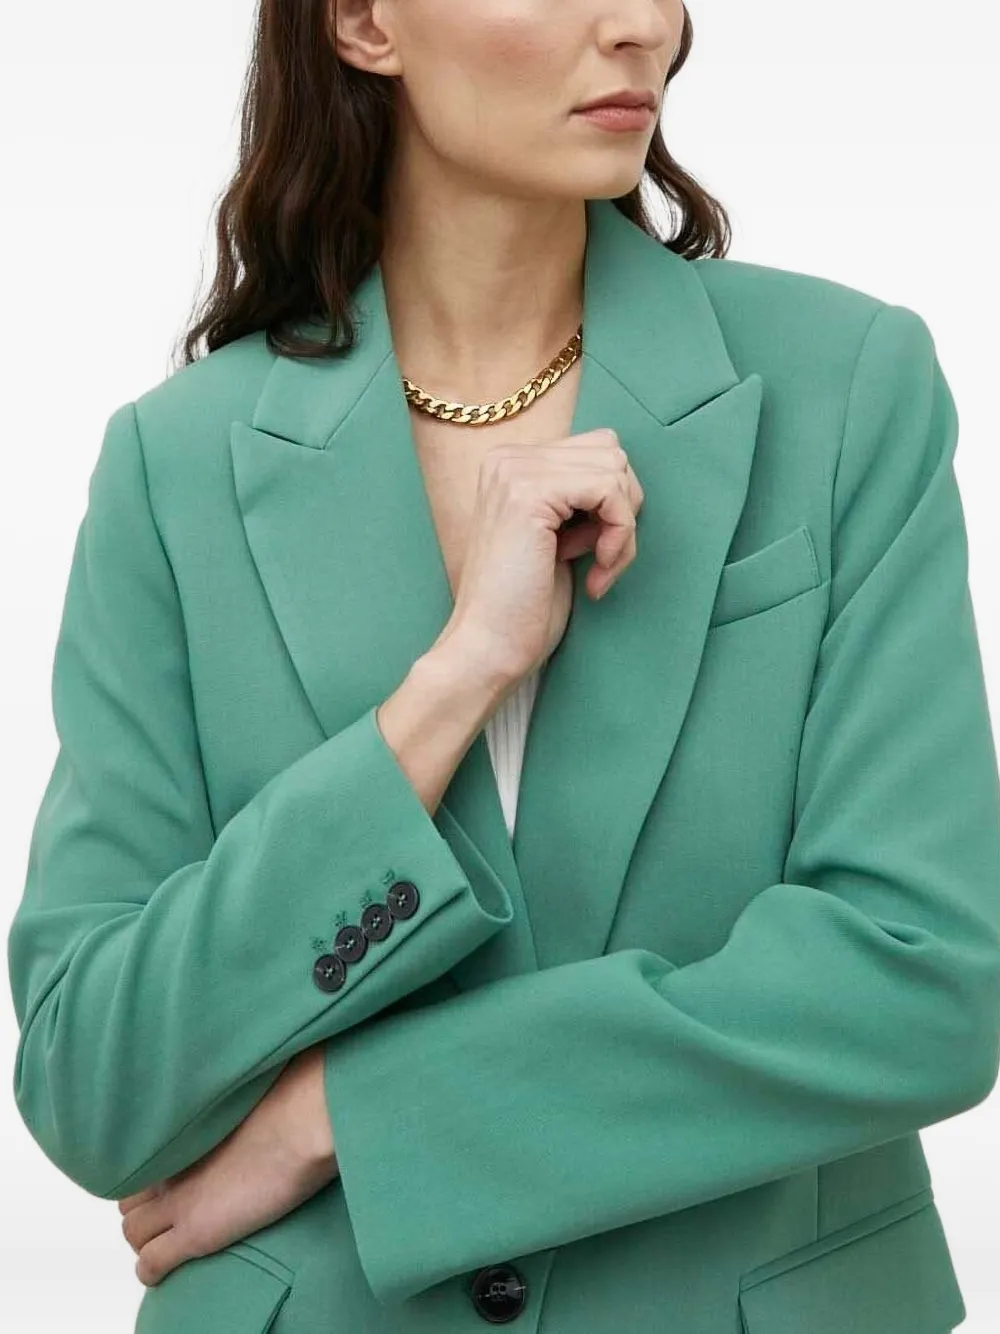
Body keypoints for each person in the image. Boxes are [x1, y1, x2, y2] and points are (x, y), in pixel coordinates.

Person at [8, 2, 1000, 1331]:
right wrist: (456, 680)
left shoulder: (846, 386)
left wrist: (352, 1116)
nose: (644, 25)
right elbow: (95, 1081)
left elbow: (922, 981)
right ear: (364, 22)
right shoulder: (173, 464)